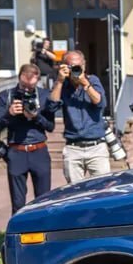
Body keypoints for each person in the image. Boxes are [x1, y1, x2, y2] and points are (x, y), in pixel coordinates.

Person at [0, 64, 55, 213]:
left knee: (44, 201)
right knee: (18, 203)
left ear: (38, 81)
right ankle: (20, 234)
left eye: (31, 87)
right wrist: (10, 114)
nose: (26, 91)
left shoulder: (44, 95)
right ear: (19, 78)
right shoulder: (6, 96)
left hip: (39, 151)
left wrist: (36, 117)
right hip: (16, 152)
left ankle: (43, 233)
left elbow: (50, 126)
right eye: (23, 86)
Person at [49, 50, 109, 183]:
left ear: (84, 65)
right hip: (73, 147)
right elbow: (51, 106)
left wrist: (85, 83)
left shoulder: (92, 80)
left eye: (78, 66)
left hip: (96, 146)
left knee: (103, 189)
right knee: (74, 192)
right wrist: (59, 81)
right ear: (64, 67)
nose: (76, 70)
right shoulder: (62, 85)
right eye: (71, 66)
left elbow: (100, 103)